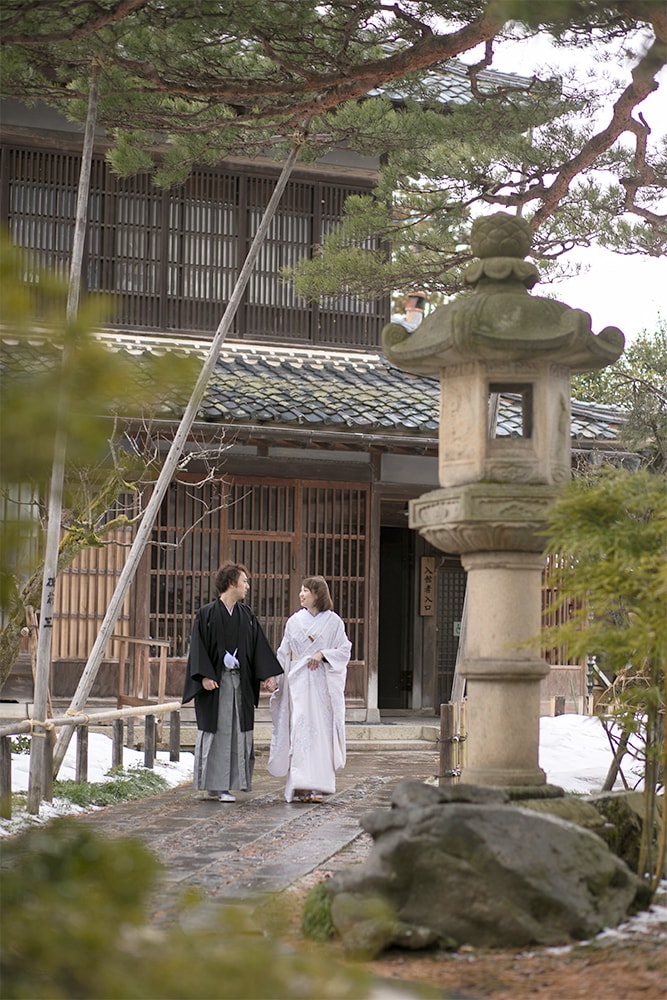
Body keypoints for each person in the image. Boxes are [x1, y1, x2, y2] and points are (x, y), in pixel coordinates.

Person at [182, 562, 282, 802]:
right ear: (230, 583)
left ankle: (227, 784)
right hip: (216, 685)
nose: (247, 586)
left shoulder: (246, 615)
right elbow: (197, 648)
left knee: (237, 731)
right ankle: (216, 786)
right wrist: (204, 675)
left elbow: (259, 647)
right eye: (244, 581)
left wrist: (268, 675)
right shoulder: (206, 614)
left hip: (240, 684)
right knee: (218, 731)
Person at [268, 576, 351, 803]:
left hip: (322, 684)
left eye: (306, 591)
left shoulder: (334, 622)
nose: (301, 594)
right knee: (300, 730)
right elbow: (284, 652)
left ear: (317, 594)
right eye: (301, 590)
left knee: (321, 732)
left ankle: (319, 786)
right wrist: (274, 677)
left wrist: (323, 654)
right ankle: (299, 785)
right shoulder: (294, 621)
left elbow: (344, 650)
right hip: (299, 683)